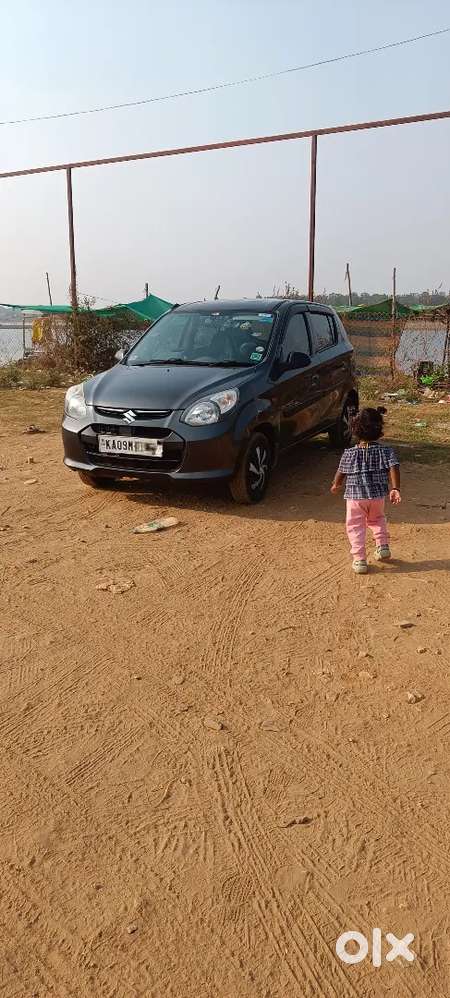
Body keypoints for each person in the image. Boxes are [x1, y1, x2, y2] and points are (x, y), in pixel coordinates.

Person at [330, 407, 401, 574]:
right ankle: (382, 546)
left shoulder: (349, 453)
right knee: (377, 519)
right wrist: (395, 488)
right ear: (379, 430)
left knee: (355, 526)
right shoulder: (386, 451)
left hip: (355, 498)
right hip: (377, 496)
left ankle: (360, 560)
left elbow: (341, 472)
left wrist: (336, 484)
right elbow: (394, 467)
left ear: (354, 430)